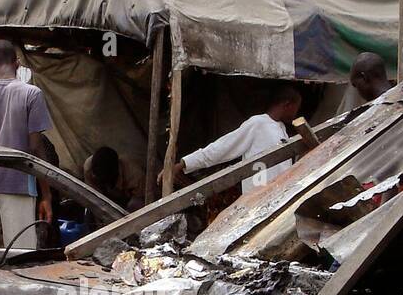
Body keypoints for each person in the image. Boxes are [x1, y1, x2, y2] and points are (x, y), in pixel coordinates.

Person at [0, 40, 54, 250]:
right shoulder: (32, 94)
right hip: (19, 186)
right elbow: (35, 148)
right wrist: (46, 195)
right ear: (18, 63)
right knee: (19, 256)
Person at [163, 83, 302, 196]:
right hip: (257, 197)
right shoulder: (258, 123)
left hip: (279, 197)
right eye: (296, 108)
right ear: (287, 104)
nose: (296, 113)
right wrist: (184, 163)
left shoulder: (282, 130)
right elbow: (222, 147)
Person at [84, 145, 146, 210]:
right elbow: (94, 197)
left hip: (131, 199)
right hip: (108, 198)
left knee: (133, 204)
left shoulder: (135, 177)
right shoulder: (89, 168)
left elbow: (144, 201)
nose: (94, 176)